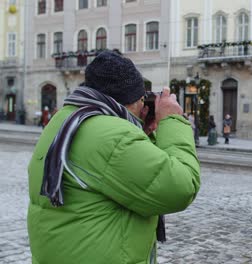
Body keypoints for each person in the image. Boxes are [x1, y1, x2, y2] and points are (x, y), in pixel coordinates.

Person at [27, 51, 201, 264]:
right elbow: (180, 187)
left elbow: (118, 172)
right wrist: (173, 119)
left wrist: (141, 134)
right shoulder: (112, 135)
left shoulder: (65, 119)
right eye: (140, 99)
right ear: (129, 101)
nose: (143, 107)